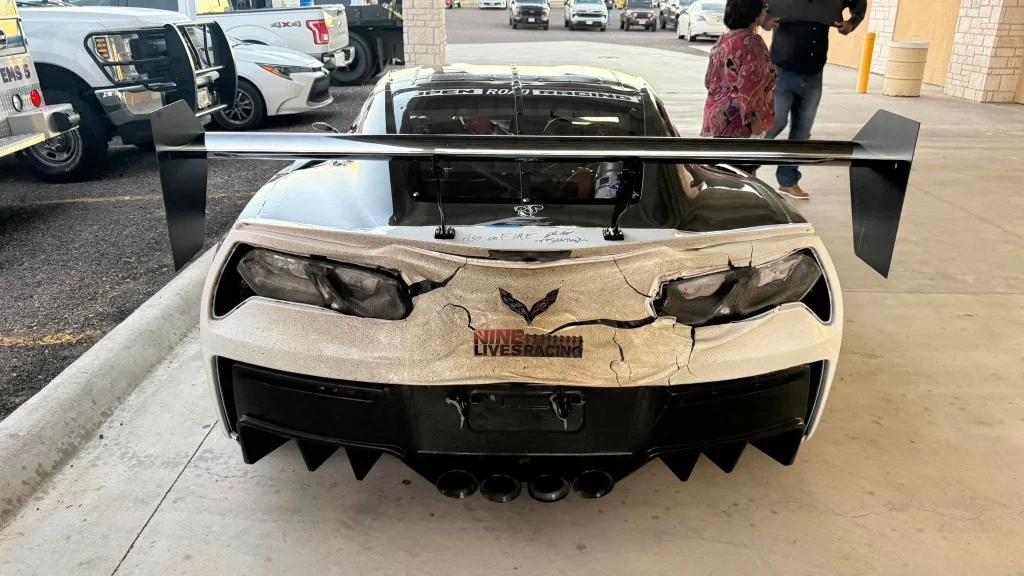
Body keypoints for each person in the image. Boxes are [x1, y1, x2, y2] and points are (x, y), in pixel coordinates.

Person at [762, 0, 867, 199]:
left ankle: (788, 181)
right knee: (773, 123)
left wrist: (852, 22)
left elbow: (858, 2)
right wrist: (764, 20)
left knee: (802, 132)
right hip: (781, 71)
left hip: (813, 74)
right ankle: (742, 169)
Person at [701, 0, 775, 176]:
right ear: (754, 14)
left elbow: (708, 80)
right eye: (764, 8)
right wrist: (757, 128)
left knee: (720, 175)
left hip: (718, 120)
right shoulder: (752, 42)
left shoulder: (722, 39)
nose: (765, 12)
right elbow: (751, 90)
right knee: (741, 179)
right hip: (739, 125)